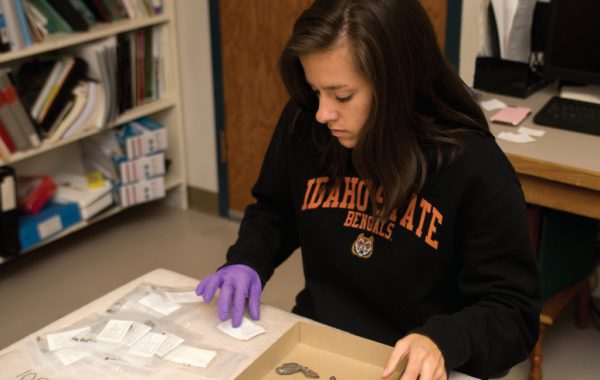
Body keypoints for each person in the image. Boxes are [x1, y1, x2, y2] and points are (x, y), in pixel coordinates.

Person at [196, 0, 541, 379]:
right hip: (318, 339)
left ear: (398, 86)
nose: (323, 113)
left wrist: (445, 339)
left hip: (418, 364)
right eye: (315, 91)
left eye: (342, 96)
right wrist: (248, 258)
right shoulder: (307, 122)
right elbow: (275, 209)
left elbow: (513, 313)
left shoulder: (474, 167)